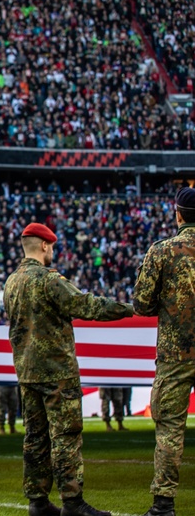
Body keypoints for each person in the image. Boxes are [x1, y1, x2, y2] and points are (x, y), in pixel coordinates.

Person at [5, 222, 134, 516]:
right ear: (45, 246)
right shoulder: (49, 280)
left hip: (26, 370)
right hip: (56, 371)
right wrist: (130, 309)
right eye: (53, 247)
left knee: (35, 436)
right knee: (65, 436)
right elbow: (87, 305)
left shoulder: (11, 281)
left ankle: (37, 502)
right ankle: (72, 502)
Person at [132, 187, 195, 516]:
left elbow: (141, 305)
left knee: (170, 427)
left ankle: (163, 505)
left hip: (176, 354)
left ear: (178, 214)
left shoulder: (162, 251)